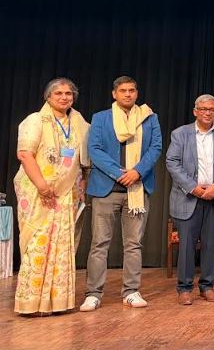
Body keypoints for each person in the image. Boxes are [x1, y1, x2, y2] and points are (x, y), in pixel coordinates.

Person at [81, 76, 162, 311]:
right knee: (99, 243)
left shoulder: (149, 117)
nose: (128, 94)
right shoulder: (101, 118)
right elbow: (94, 149)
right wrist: (119, 173)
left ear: (137, 93)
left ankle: (131, 291)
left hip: (137, 188)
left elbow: (155, 148)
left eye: (132, 90)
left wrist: (137, 172)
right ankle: (93, 294)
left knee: (134, 244)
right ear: (114, 94)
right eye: (123, 90)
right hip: (106, 189)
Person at [13, 77, 91, 315]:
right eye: (58, 93)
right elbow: (25, 155)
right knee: (37, 243)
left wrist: (82, 185)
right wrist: (43, 187)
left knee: (63, 246)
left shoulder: (80, 123)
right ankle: (31, 303)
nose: (64, 97)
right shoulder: (35, 120)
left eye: (69, 94)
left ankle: (58, 303)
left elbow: (85, 161)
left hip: (67, 194)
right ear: (48, 97)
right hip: (38, 193)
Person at [166, 94, 214, 305]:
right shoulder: (180, 133)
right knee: (187, 245)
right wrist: (193, 188)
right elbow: (172, 162)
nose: (208, 113)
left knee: (210, 244)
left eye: (212, 110)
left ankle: (207, 286)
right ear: (195, 111)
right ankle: (184, 288)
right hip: (188, 197)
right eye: (203, 109)